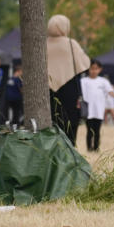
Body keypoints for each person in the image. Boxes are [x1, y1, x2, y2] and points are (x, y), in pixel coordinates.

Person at [47, 14, 90, 145]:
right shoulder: (72, 44)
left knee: (51, 124)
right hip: (70, 90)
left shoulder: (42, 43)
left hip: (47, 90)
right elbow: (85, 64)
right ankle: (69, 154)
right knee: (70, 124)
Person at [80, 60, 114, 151]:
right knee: (89, 131)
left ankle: (96, 148)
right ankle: (89, 149)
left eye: (96, 69)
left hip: (99, 110)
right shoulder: (83, 81)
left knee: (97, 131)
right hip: (88, 110)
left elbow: (110, 92)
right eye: (92, 68)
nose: (94, 71)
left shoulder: (103, 81)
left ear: (100, 69)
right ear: (88, 69)